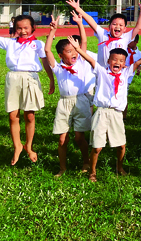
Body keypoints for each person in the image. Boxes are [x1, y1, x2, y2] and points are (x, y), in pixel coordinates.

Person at [70, 38, 141, 182]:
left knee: (121, 145)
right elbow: (90, 60)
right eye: (114, 60)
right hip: (102, 112)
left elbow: (138, 62)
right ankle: (92, 171)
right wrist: (78, 49)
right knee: (97, 147)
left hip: (117, 114)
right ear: (109, 60)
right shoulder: (102, 71)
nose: (117, 63)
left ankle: (119, 167)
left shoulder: (126, 73)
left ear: (124, 64)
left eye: (121, 61)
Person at [0, 15, 54, 165]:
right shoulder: (10, 43)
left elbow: (46, 62)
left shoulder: (38, 44)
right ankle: (17, 146)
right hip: (13, 78)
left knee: (29, 115)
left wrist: (51, 80)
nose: (22, 31)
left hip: (31, 78)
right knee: (12, 115)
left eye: (26, 28)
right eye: (19, 28)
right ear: (15, 29)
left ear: (33, 28)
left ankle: (28, 146)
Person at [44, 13, 92, 176]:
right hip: (64, 103)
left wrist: (80, 23)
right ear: (61, 55)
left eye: (75, 50)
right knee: (62, 139)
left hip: (81, 101)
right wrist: (52, 31)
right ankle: (62, 167)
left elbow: (84, 42)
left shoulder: (81, 62)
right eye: (69, 51)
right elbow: (47, 50)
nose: (74, 53)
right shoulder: (57, 68)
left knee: (79, 138)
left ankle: (86, 161)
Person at [66, 0, 141, 67]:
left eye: (121, 25)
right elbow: (91, 21)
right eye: (114, 24)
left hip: (117, 71)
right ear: (109, 26)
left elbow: (139, 27)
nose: (117, 27)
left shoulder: (126, 37)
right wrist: (79, 9)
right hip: (102, 72)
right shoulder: (103, 34)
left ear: (125, 28)